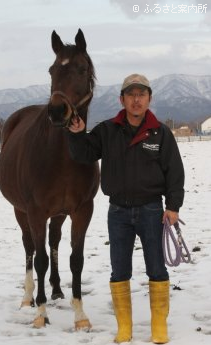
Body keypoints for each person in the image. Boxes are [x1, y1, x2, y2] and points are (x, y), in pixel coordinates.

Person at [67, 73, 185, 344]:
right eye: (130, 95)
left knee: (156, 268)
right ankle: (124, 327)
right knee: (120, 270)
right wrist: (76, 134)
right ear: (122, 99)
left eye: (141, 94)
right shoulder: (107, 130)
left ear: (149, 98)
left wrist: (173, 206)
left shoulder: (161, 133)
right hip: (118, 212)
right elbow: (83, 153)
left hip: (152, 210)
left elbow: (174, 173)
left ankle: (159, 326)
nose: (136, 100)